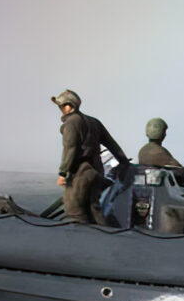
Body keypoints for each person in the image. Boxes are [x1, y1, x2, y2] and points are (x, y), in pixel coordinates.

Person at [53, 89, 130, 227]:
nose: (60, 109)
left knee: (74, 211)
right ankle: (105, 238)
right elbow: (112, 144)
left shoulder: (72, 122)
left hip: (81, 172)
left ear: (69, 106)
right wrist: (125, 163)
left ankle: (80, 244)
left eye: (61, 106)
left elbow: (70, 148)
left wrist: (63, 173)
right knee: (94, 208)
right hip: (96, 171)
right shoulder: (94, 122)